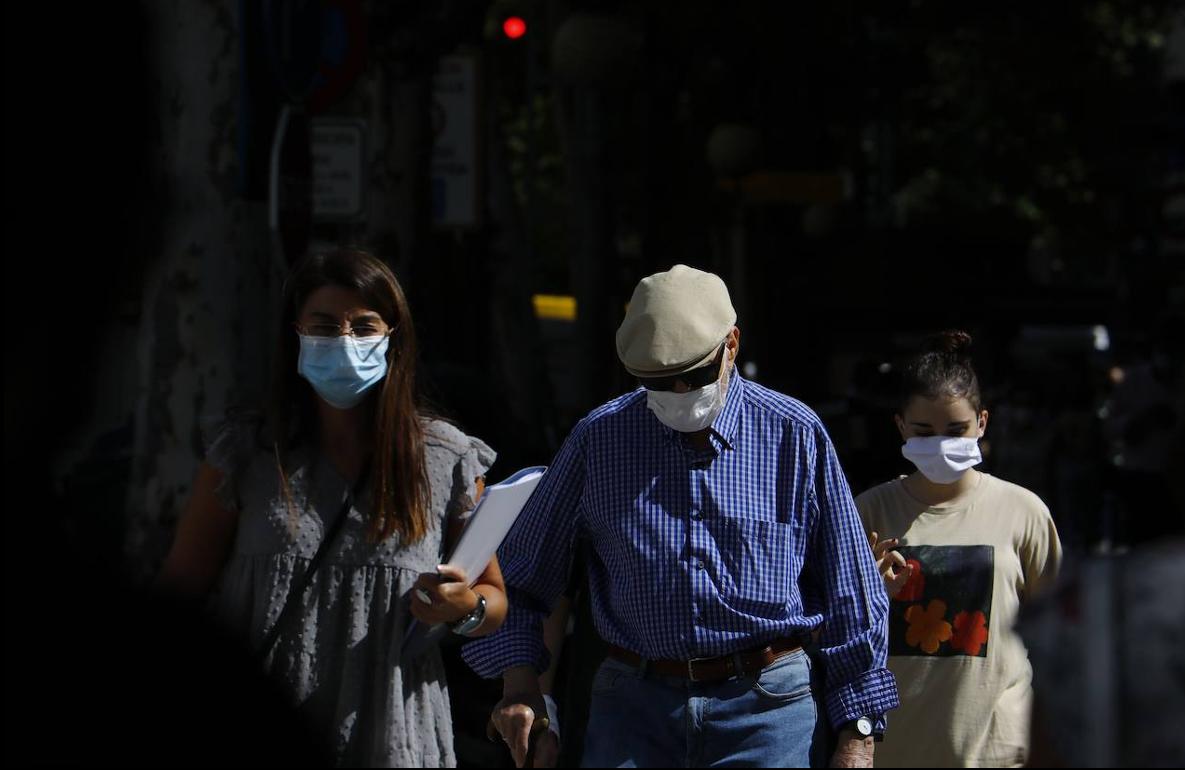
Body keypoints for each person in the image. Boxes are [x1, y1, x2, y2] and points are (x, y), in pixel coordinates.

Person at [463, 264, 898, 768]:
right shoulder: (599, 440)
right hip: (633, 708)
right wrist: (522, 688)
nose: (676, 394)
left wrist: (857, 733)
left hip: (769, 709)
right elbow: (519, 580)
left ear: (731, 345)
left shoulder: (794, 435)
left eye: (692, 376)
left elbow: (853, 592)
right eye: (656, 383)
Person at [156, 247, 507, 767]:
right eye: (323, 325)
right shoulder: (248, 452)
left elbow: (494, 601)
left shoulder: (446, 459)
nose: (344, 341)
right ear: (294, 333)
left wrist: (464, 608)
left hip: (392, 735)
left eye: (364, 327)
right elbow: (180, 588)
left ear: (393, 338)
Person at [855, 330, 1062, 767]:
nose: (941, 443)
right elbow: (835, 631)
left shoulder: (1024, 512)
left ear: (982, 423)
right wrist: (866, 593)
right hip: (897, 748)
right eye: (924, 431)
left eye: (956, 429)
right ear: (900, 427)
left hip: (998, 751)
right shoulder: (869, 511)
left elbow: (1061, 637)